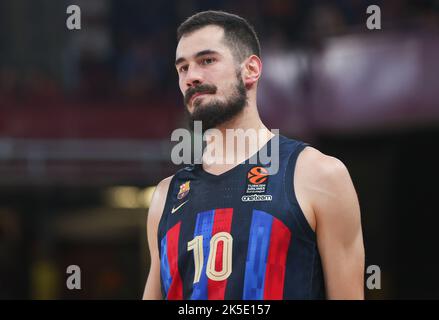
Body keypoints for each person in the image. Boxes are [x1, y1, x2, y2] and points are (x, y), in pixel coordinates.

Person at [143, 10, 364, 300]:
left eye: (207, 61)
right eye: (182, 68)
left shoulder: (319, 175)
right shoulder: (165, 197)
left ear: (251, 70)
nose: (191, 77)